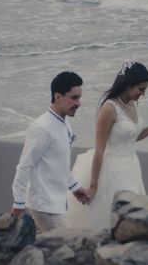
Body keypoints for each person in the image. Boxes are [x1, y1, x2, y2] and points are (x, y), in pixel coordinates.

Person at [66, 60, 148, 230]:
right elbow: (99, 149)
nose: (143, 94)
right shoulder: (109, 109)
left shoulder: (132, 104)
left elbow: (131, 137)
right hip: (112, 169)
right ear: (128, 85)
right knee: (115, 216)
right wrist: (93, 186)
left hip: (132, 167)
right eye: (141, 89)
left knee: (132, 215)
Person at [11, 71, 91, 233]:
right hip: (43, 205)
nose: (79, 103)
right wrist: (18, 204)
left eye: (79, 97)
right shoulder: (42, 128)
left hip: (57, 203)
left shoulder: (65, 123)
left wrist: (74, 187)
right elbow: (24, 166)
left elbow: (59, 163)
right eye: (74, 98)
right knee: (66, 246)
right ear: (57, 96)